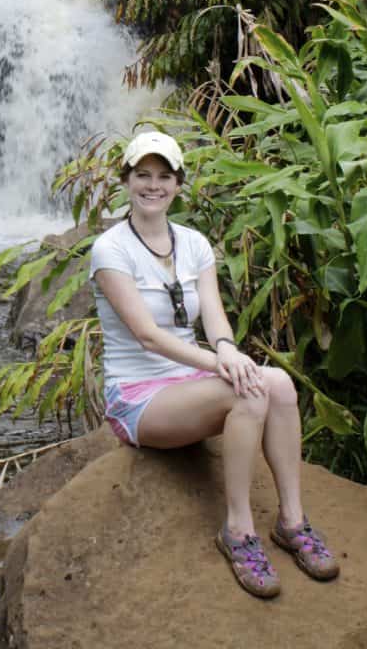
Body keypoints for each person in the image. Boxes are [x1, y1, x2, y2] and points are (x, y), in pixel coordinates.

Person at [89, 129, 339, 599]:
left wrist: (226, 350)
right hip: (138, 396)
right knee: (247, 389)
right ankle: (239, 531)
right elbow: (147, 334)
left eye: (164, 176)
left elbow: (216, 318)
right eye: (142, 174)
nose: (153, 185)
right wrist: (219, 365)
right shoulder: (110, 249)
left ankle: (292, 522)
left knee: (280, 383)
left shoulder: (194, 244)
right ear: (126, 180)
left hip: (190, 380)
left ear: (178, 185)